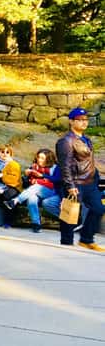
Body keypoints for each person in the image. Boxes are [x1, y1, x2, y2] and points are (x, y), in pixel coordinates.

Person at [55, 107, 105, 251]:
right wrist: (70, 185)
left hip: (90, 182)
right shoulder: (66, 141)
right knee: (71, 213)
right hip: (75, 182)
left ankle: (86, 239)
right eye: (80, 120)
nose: (84, 122)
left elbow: (88, 161)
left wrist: (95, 176)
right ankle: (66, 242)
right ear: (71, 121)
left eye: (85, 120)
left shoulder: (86, 139)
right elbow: (65, 165)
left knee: (98, 208)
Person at [6, 148, 58, 233]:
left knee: (37, 186)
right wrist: (26, 176)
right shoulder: (34, 167)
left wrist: (41, 176)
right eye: (38, 157)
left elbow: (57, 180)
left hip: (51, 191)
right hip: (34, 192)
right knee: (32, 198)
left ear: (48, 159)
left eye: (42, 158)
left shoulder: (55, 167)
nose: (39, 160)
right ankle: (36, 224)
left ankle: (15, 201)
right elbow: (26, 185)